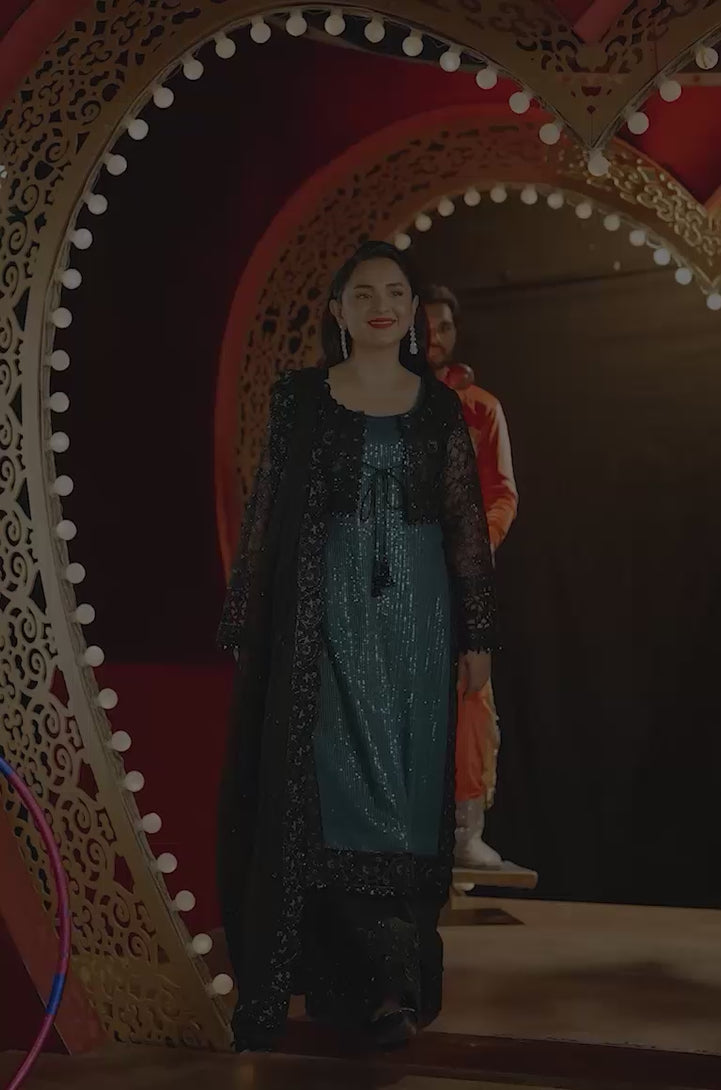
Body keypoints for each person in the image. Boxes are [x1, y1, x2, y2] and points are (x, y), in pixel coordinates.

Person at [216, 241, 498, 1052]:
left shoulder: (440, 408)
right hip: (325, 616)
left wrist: (477, 631)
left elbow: (465, 523)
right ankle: (345, 982)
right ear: (338, 310)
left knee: (406, 793)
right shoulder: (301, 398)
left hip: (419, 620)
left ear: (412, 313)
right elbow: (267, 506)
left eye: (396, 293)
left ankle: (392, 987)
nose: (382, 305)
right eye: (364, 293)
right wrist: (247, 615)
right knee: (332, 783)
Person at [422, 284, 518, 869]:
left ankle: (464, 832)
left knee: (469, 692)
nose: (436, 337)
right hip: (389, 572)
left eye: (445, 327)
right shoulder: (374, 402)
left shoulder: (480, 408)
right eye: (426, 325)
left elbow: (502, 494)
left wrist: (472, 545)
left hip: (460, 574)